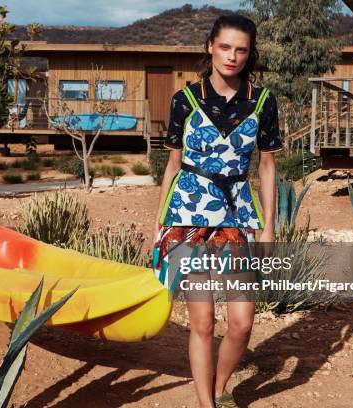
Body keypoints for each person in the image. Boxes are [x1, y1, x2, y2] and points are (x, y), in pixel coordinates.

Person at [151, 14, 282, 408]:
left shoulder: (262, 101)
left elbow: (267, 167)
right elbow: (173, 165)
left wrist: (268, 229)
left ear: (249, 54)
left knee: (242, 323)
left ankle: (222, 386)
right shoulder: (184, 100)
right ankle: (207, 403)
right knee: (203, 323)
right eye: (225, 46)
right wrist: (159, 224)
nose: (232, 56)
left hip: (236, 217)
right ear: (210, 47)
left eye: (241, 49)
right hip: (187, 218)